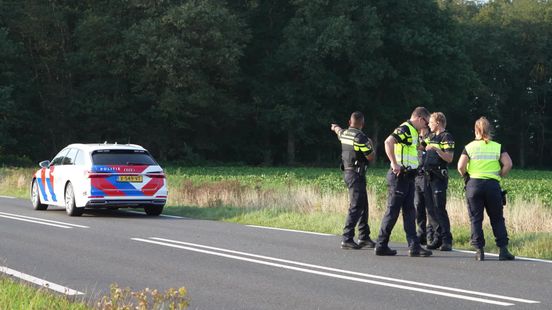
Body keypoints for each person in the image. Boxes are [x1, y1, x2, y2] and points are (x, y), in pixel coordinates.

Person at [374, 107, 432, 257]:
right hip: (399, 176)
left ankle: (414, 246)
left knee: (409, 212)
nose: (425, 127)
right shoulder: (405, 128)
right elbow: (388, 142)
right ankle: (381, 244)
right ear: (420, 119)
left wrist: (427, 145)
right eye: (425, 123)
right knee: (392, 211)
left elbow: (412, 149)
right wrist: (394, 163)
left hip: (409, 177)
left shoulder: (413, 131)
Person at [457, 117, 515, 261]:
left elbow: (460, 166)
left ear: (476, 130)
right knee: (497, 218)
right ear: (489, 130)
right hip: (492, 185)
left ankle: (479, 251)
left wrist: (466, 176)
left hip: (474, 185)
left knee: (476, 218)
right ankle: (503, 250)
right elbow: (508, 164)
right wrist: (499, 175)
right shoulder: (497, 146)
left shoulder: (469, 147)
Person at [331, 112, 376, 250]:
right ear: (362, 124)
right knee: (356, 206)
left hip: (348, 172)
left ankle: (363, 236)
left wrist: (334, 127)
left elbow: (338, 131)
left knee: (363, 204)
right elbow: (370, 157)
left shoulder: (344, 134)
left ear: (350, 122)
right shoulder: (360, 137)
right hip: (356, 174)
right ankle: (347, 238)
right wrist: (371, 144)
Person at [423, 112, 454, 251]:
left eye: (430, 122)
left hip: (438, 177)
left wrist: (436, 149)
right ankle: (437, 237)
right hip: (427, 176)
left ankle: (447, 240)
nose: (428, 124)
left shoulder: (446, 137)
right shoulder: (430, 136)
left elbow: (449, 158)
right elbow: (420, 146)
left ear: (438, 122)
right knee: (430, 209)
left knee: (439, 208)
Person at [414, 126, 434, 245]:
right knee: (418, 206)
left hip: (428, 176)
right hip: (417, 175)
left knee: (430, 207)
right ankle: (421, 234)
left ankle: (431, 235)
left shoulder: (431, 138)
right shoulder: (415, 138)